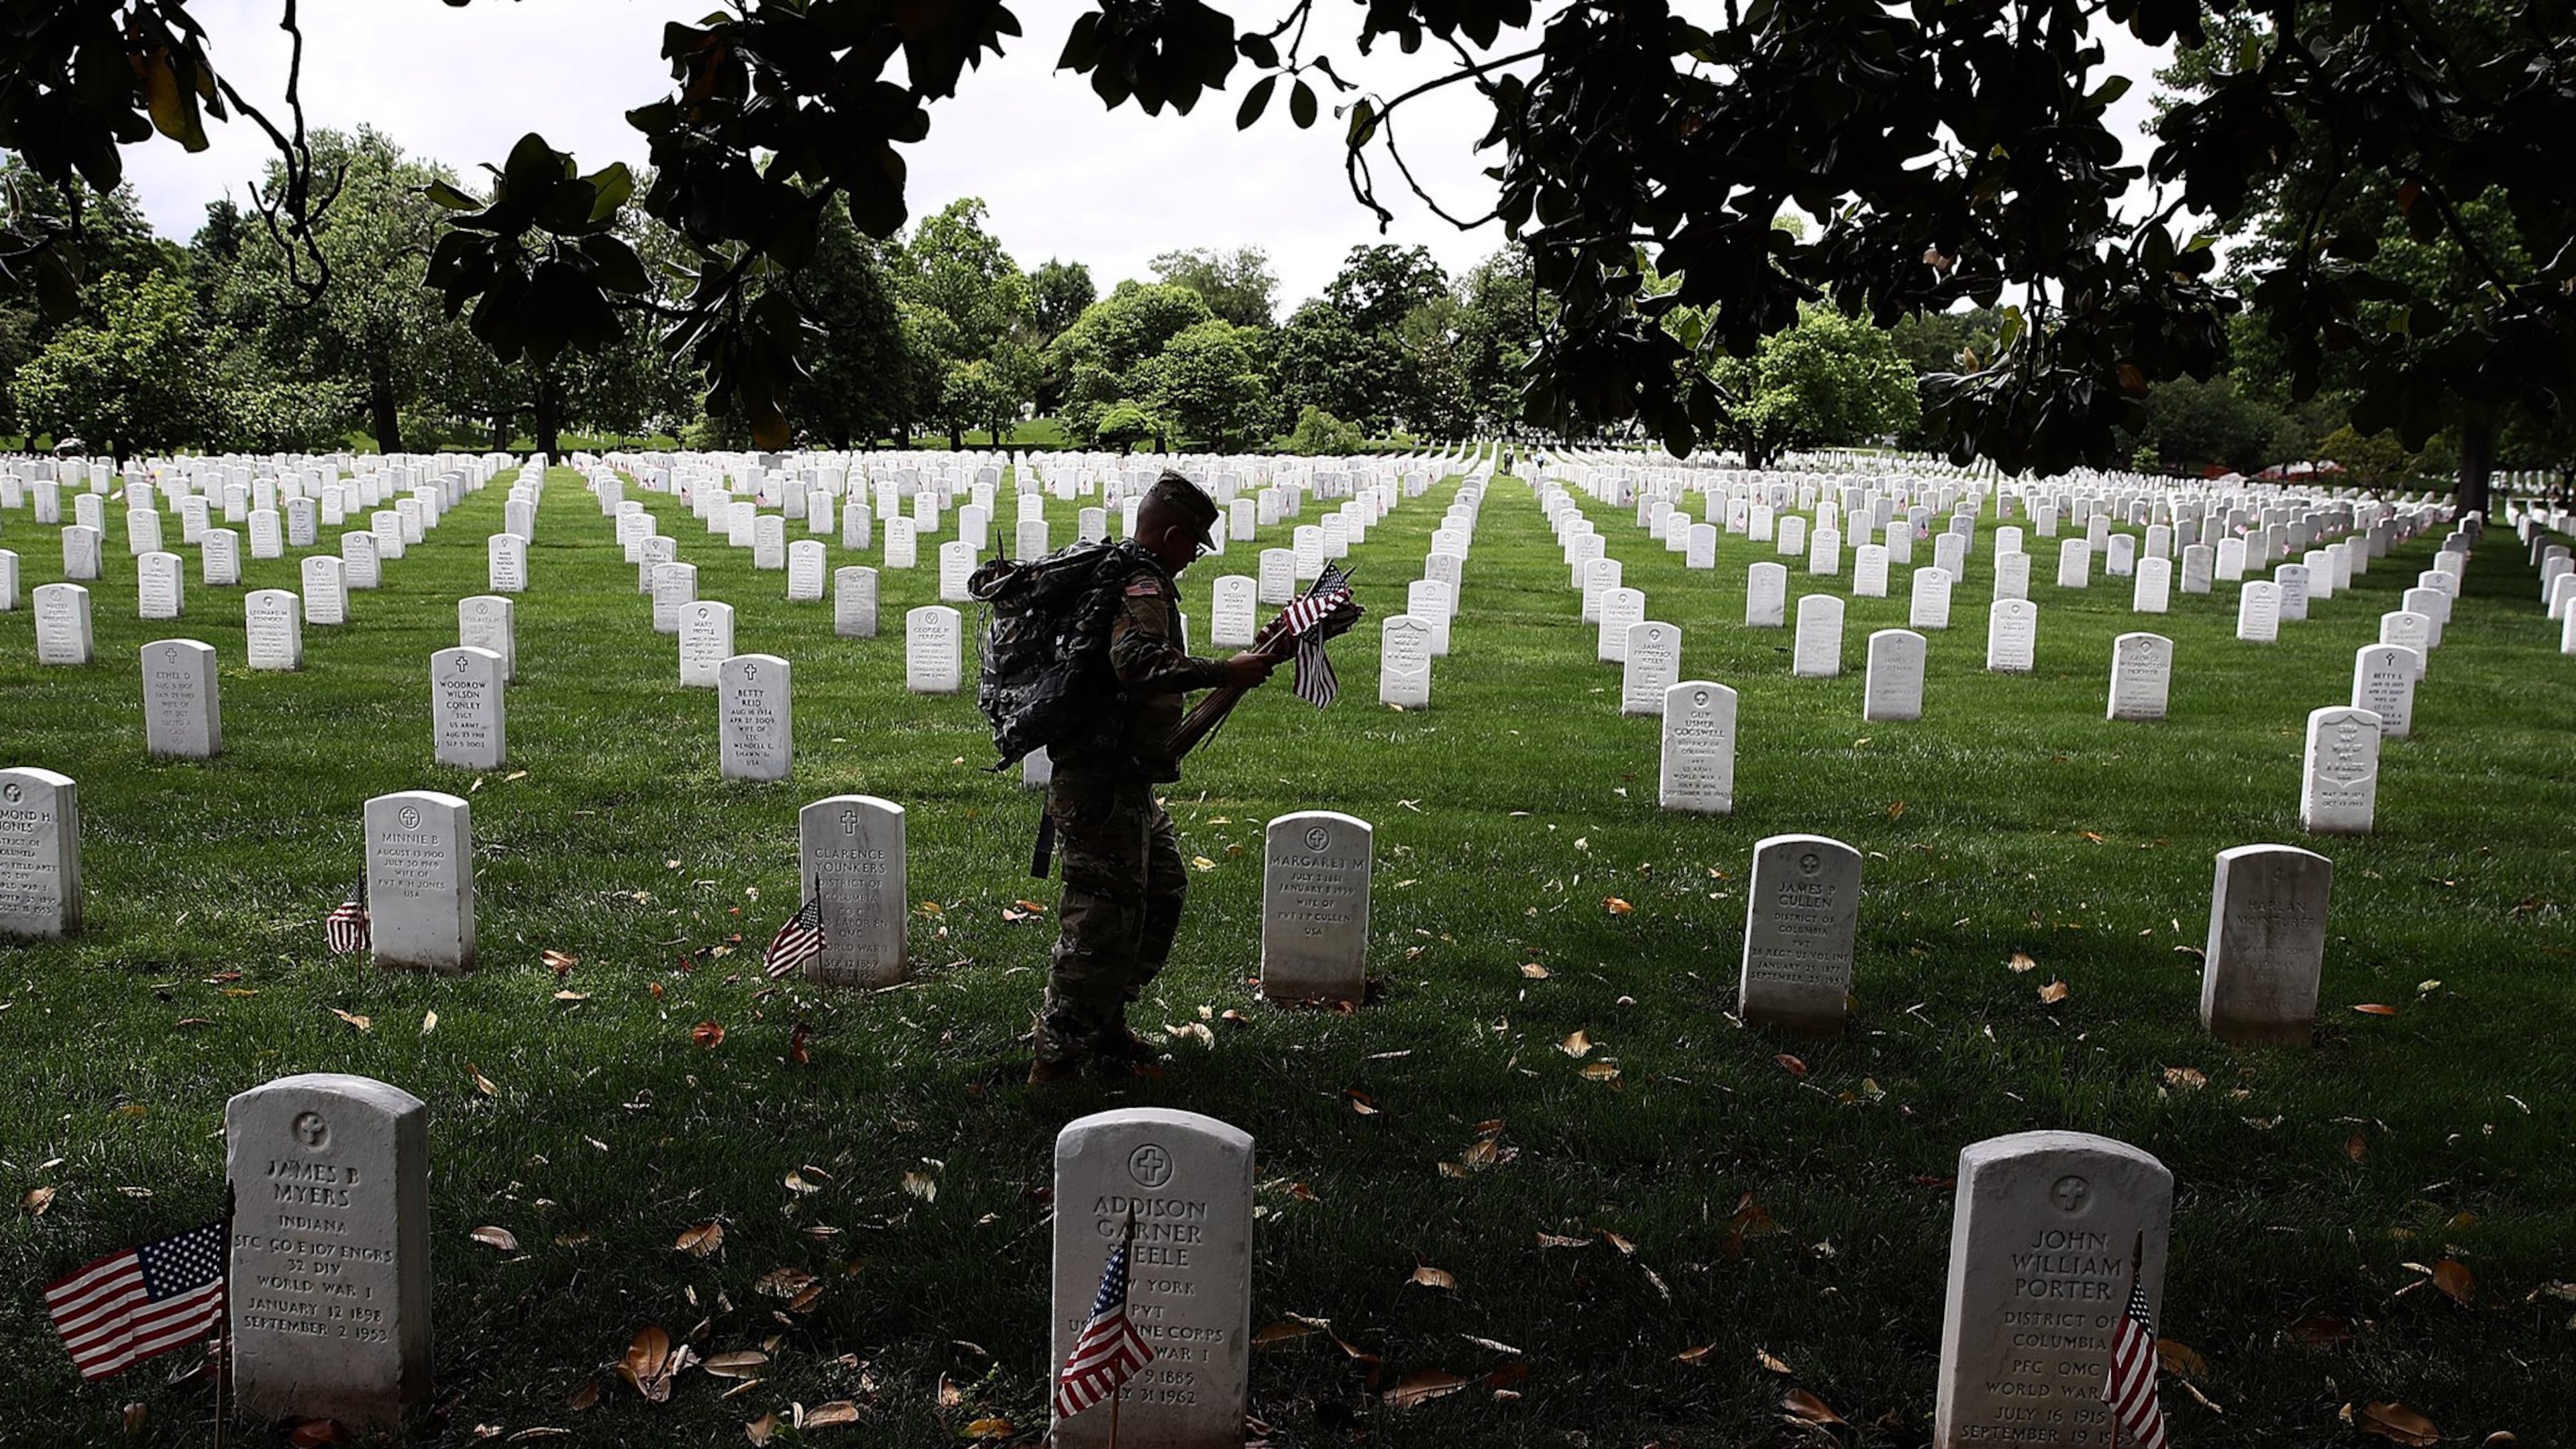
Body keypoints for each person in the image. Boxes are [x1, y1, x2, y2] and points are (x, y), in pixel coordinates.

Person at [1029, 471, 1282, 1084]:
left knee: (1161, 889)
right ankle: (1055, 1059)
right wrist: (1224, 667)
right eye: (1193, 544)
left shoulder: (1132, 575)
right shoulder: (1141, 586)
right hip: (1100, 784)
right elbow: (1136, 662)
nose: (1194, 557)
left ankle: (1107, 1020)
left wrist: (1243, 668)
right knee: (1100, 919)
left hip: (1126, 779)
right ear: (1171, 535)